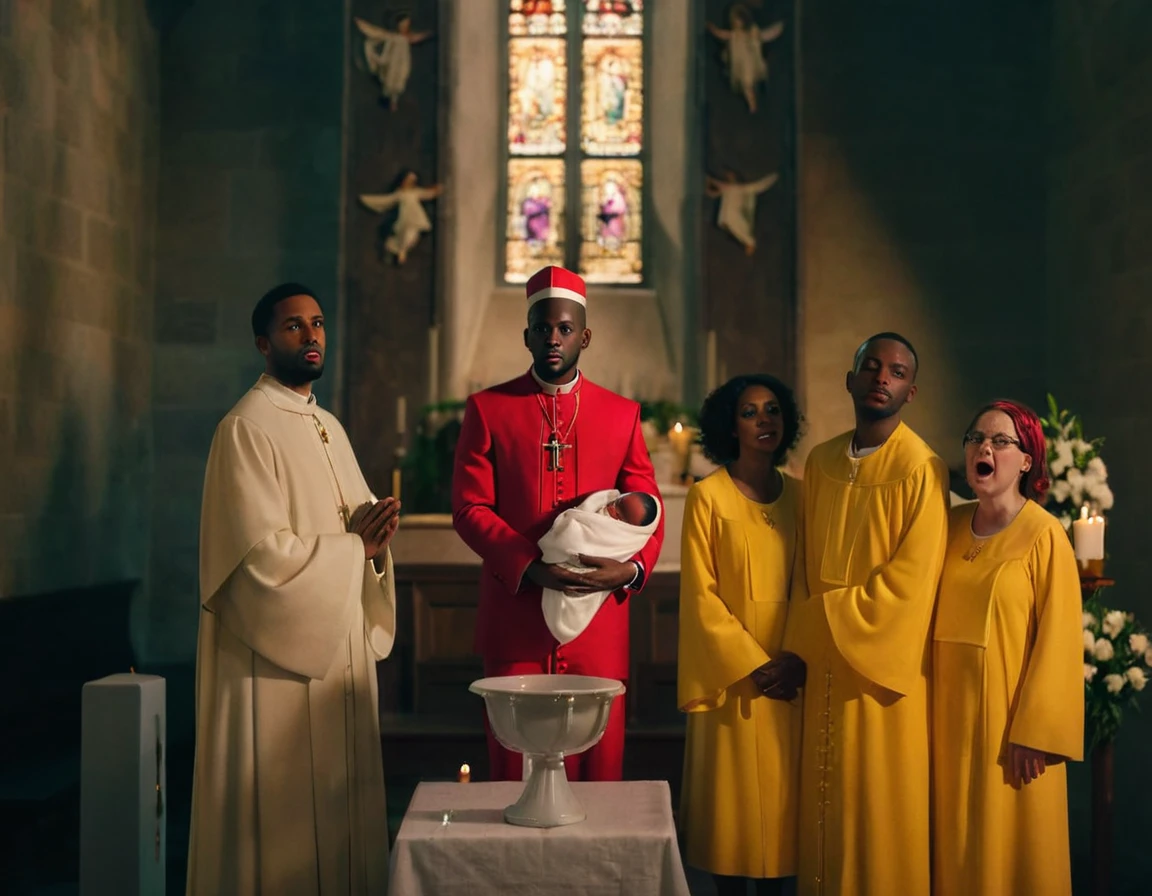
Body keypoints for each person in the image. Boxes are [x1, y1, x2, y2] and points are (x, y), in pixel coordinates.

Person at [187, 284, 400, 895]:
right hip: (277, 667)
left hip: (339, 658)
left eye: (318, 324)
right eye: (292, 327)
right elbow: (255, 564)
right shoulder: (245, 428)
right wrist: (351, 551)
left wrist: (375, 553)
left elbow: (358, 536)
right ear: (262, 344)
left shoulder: (327, 425)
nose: (310, 337)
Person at [452, 264, 664, 782]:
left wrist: (631, 572)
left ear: (584, 336)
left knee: (598, 778)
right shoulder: (489, 409)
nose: (553, 338)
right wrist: (531, 567)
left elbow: (650, 514)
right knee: (513, 771)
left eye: (565, 329)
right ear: (526, 334)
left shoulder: (621, 415)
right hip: (516, 618)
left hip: (598, 624)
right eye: (542, 328)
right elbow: (469, 507)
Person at [776, 332, 949, 896]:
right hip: (822, 661)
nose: (882, 377)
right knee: (823, 809)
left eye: (896, 372)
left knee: (877, 810)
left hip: (881, 672)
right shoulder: (822, 461)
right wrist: (803, 640)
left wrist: (825, 615)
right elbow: (801, 563)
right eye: (871, 367)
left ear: (911, 390)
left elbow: (913, 580)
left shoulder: (923, 468)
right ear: (849, 379)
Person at [932, 400, 1083, 896]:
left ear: (1026, 460)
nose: (985, 448)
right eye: (976, 439)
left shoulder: (1044, 535)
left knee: (1012, 859)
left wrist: (1035, 731)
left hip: (1012, 732)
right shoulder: (948, 527)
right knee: (954, 850)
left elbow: (1060, 639)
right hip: (946, 724)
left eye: (1001, 441)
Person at [677, 374, 805, 896]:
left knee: (786, 825)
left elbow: (814, 584)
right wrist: (753, 664)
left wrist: (795, 657)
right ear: (729, 424)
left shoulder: (803, 496)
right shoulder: (707, 497)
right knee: (731, 827)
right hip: (733, 681)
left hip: (791, 678)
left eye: (772, 410)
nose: (763, 421)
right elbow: (701, 595)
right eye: (750, 412)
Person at [538, 489, 661, 646]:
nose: (610, 511)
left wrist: (631, 570)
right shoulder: (609, 503)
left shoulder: (632, 514)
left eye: (618, 516)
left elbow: (647, 526)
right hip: (519, 602)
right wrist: (524, 565)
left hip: (598, 632)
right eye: (613, 506)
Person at [706, 6, 785, 113]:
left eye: (738, 20)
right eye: (735, 21)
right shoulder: (734, 34)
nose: (736, 23)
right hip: (740, 64)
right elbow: (723, 35)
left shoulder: (752, 32)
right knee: (746, 84)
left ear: (744, 20)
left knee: (749, 82)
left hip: (750, 62)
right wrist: (713, 29)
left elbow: (765, 35)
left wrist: (778, 29)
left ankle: (754, 102)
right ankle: (752, 104)